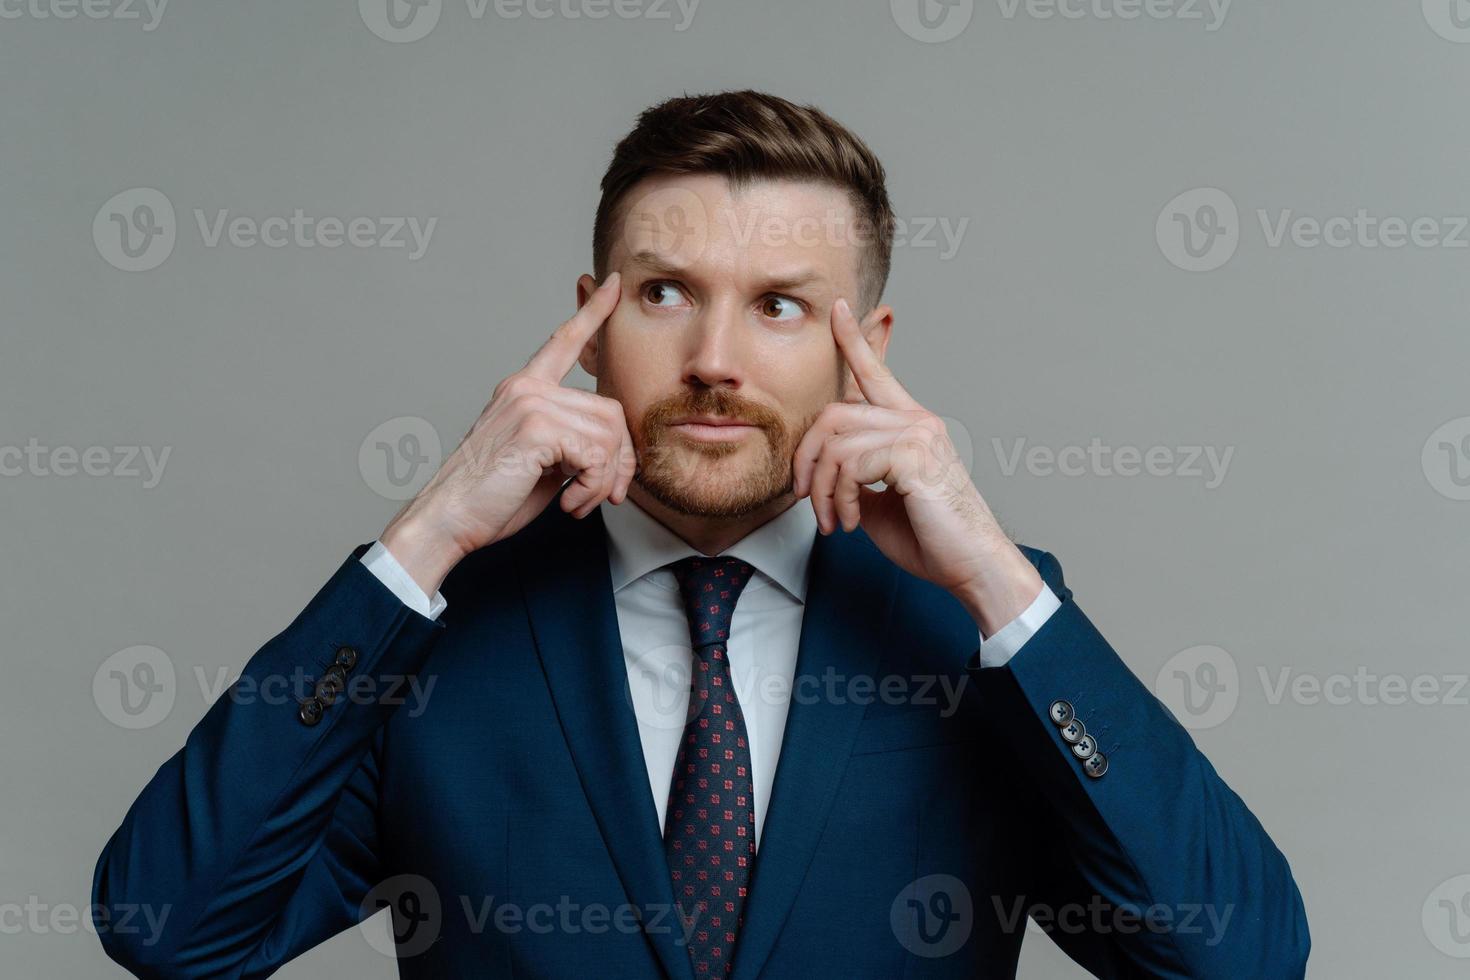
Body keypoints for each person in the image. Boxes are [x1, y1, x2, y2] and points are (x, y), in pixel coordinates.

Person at [92, 89, 1310, 979]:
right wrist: (423, 538)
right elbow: (171, 924)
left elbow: (1237, 959)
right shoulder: (444, 626)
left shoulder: (979, 627)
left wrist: (998, 577)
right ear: (588, 320)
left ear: (866, 347)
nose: (716, 361)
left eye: (780, 306)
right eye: (665, 293)